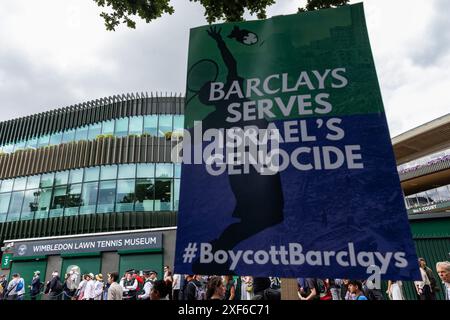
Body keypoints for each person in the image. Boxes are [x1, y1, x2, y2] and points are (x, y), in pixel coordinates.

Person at [191, 26, 284, 275]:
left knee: (266, 216)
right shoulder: (225, 104)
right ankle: (219, 250)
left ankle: (219, 250)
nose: (217, 86)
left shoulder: (216, 112)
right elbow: (231, 64)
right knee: (268, 216)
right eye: (213, 87)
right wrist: (220, 42)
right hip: (249, 166)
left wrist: (221, 41)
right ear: (213, 94)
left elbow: (189, 139)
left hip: (249, 164)